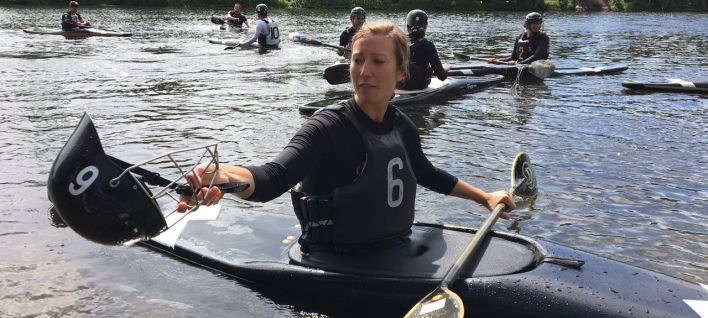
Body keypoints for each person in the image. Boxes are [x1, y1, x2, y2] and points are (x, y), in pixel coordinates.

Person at [180, 21, 515, 253]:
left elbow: (426, 174)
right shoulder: (326, 127)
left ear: (401, 72)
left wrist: (483, 197)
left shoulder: (401, 125)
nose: (364, 71)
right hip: (337, 262)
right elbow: (272, 177)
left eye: (377, 61)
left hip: (396, 249)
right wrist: (223, 176)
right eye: (358, 60)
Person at [398, 9, 450, 91]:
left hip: (399, 86)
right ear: (425, 27)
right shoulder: (428, 45)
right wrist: (446, 67)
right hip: (418, 86)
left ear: (407, 27)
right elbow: (442, 77)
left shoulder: (398, 43)